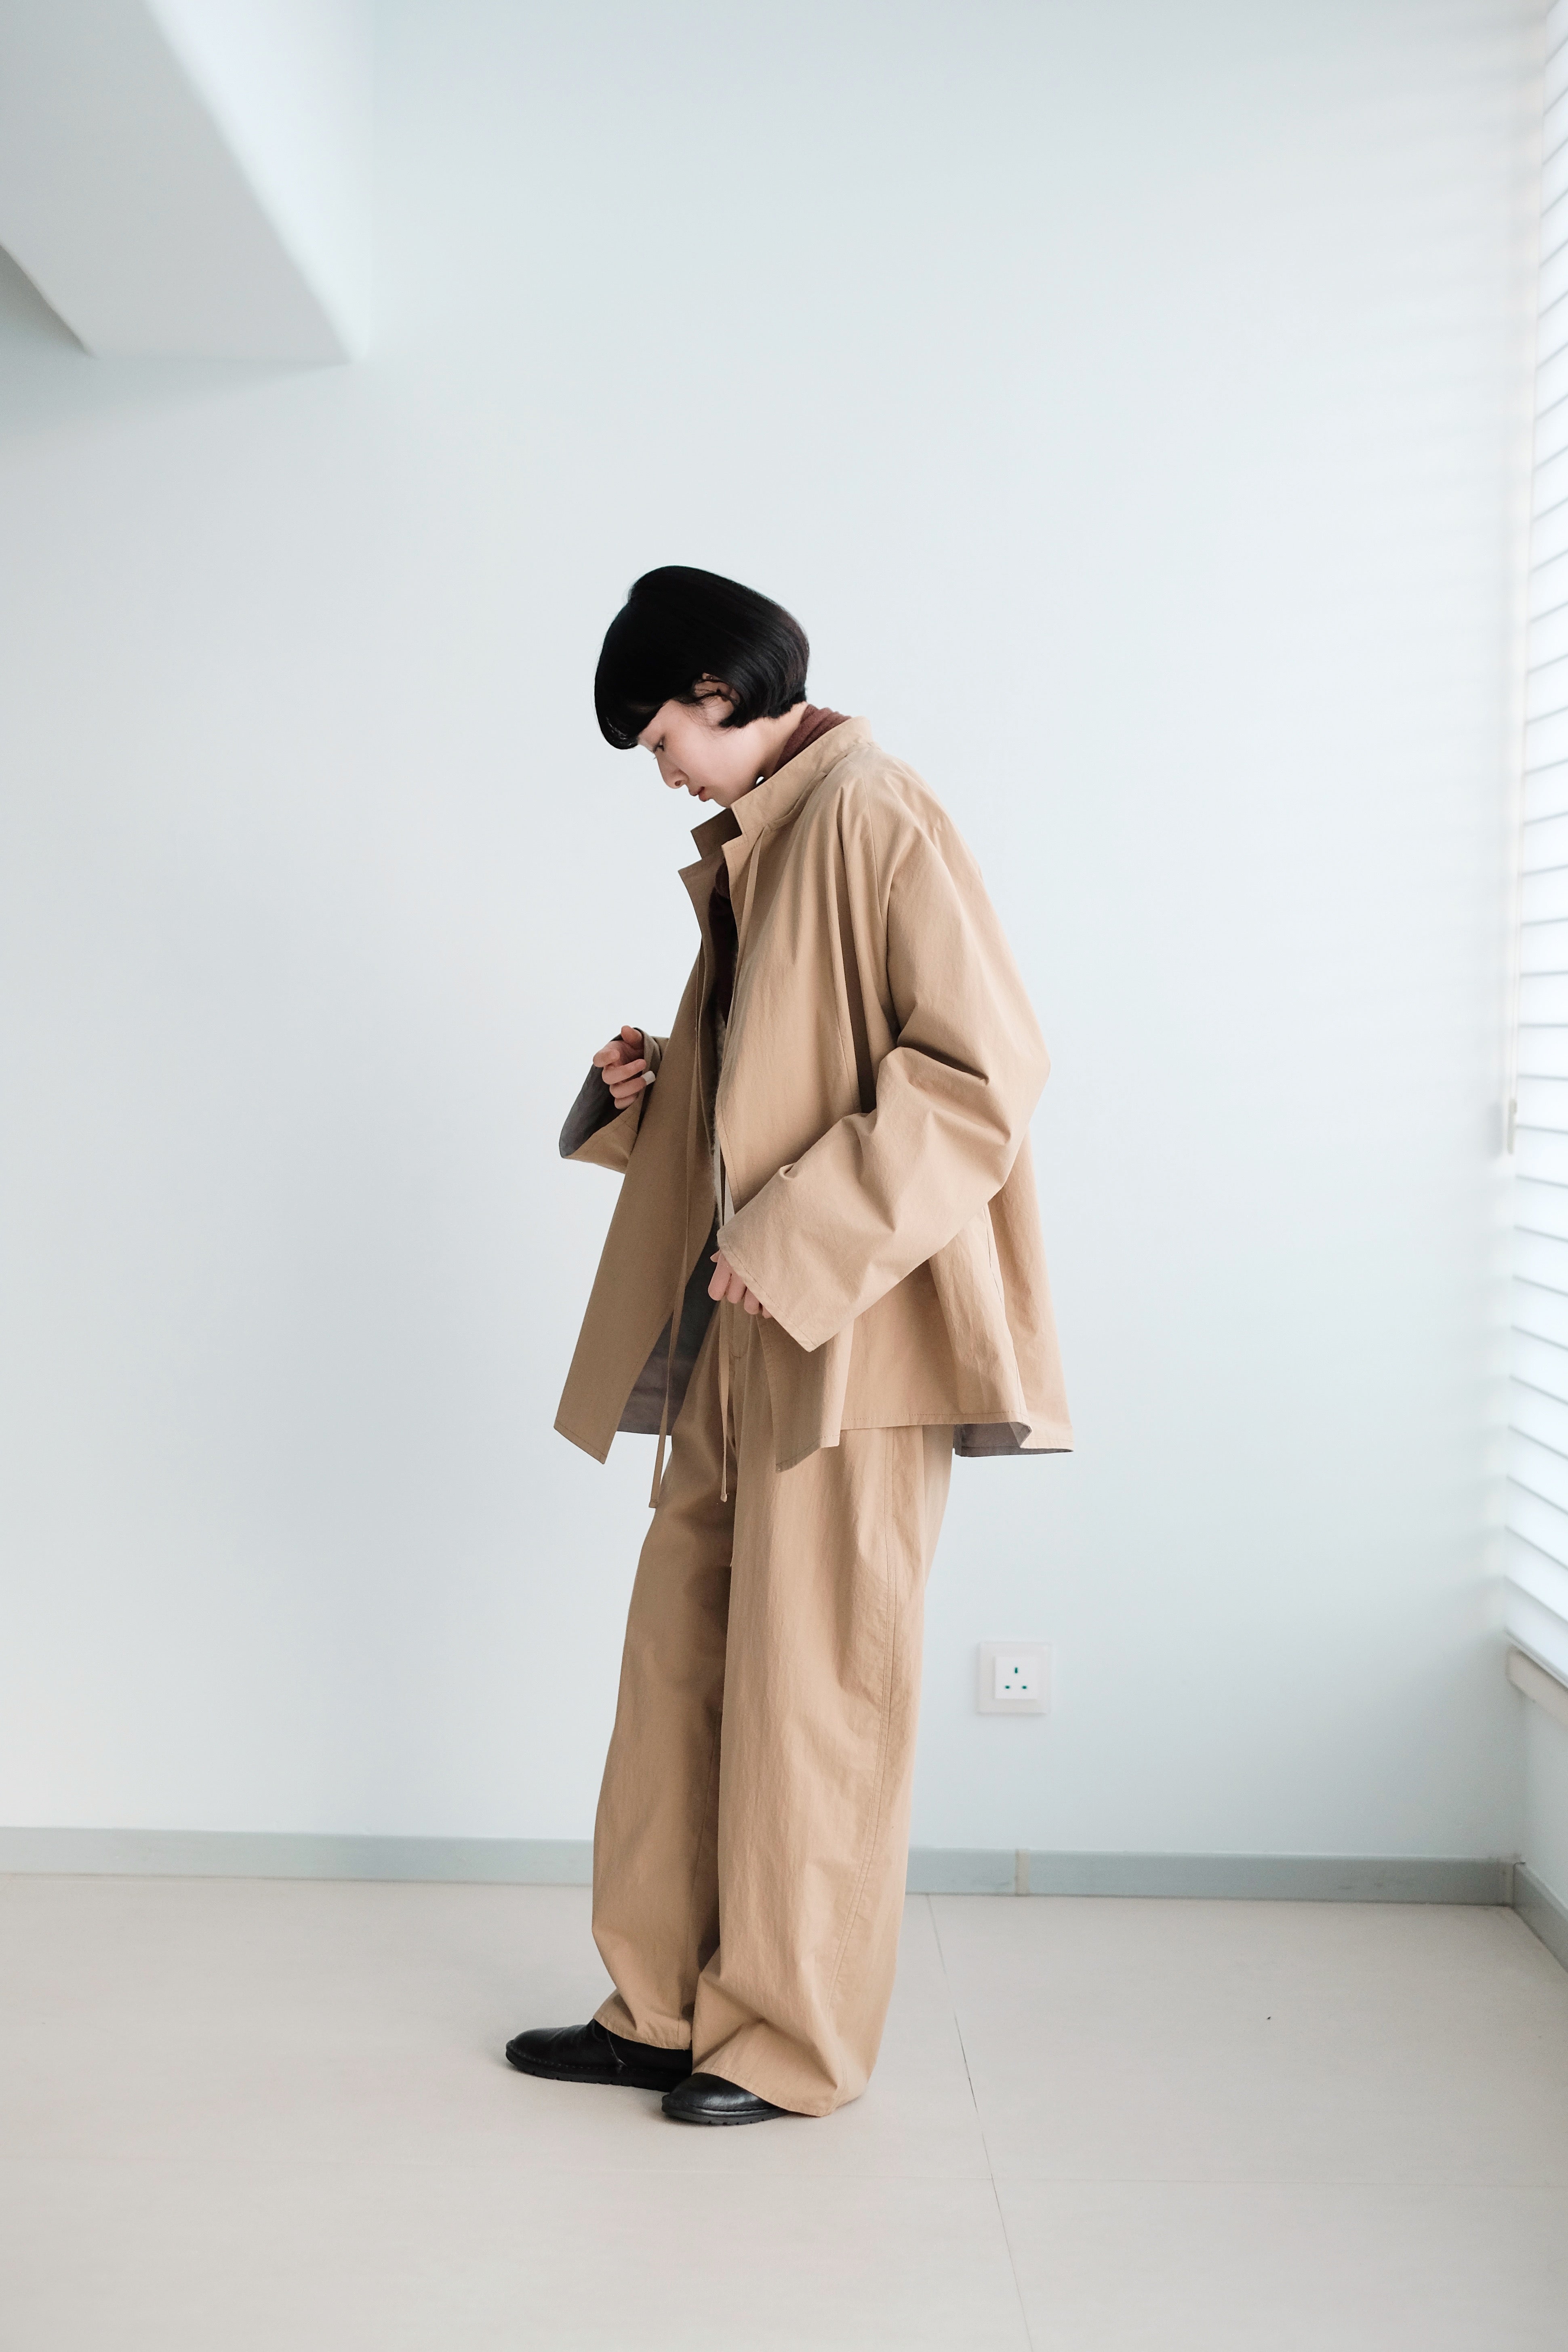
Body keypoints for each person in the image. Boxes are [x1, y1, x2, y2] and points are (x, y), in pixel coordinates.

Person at [506, 566, 1071, 2125]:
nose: (662, 772)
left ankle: (785, 2042)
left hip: (852, 1337)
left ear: (722, 693)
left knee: (814, 1692)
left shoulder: (875, 813)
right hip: (741, 1325)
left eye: (660, 738)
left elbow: (982, 1072)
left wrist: (801, 1240)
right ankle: (660, 2009)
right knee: (681, 1664)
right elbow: (785, 1085)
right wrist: (649, 1092)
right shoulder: (769, 838)